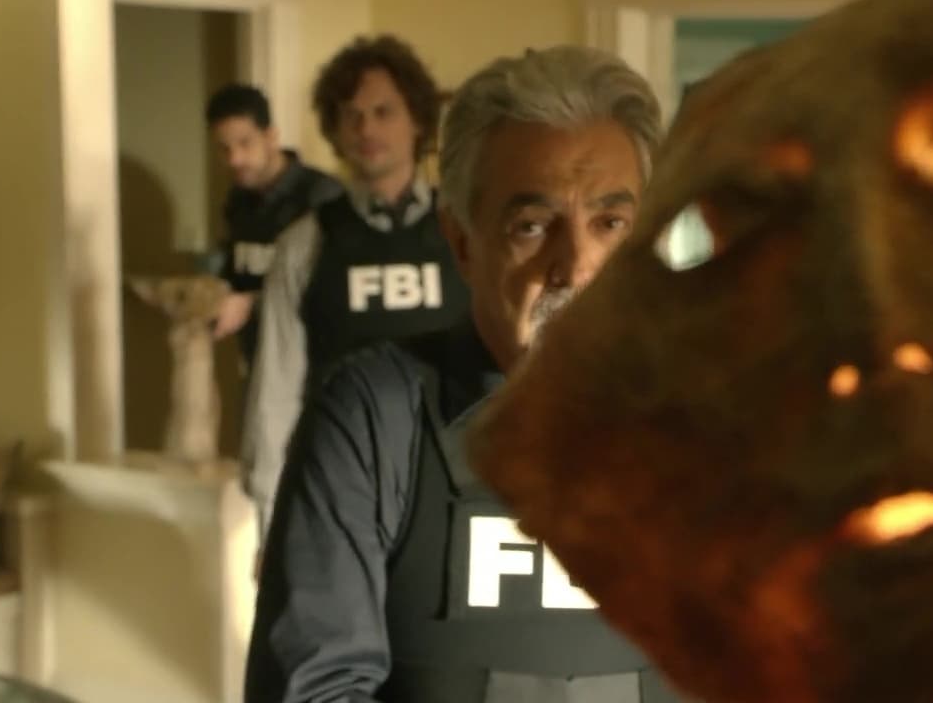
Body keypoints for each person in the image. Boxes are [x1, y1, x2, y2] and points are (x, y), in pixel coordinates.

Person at [244, 45, 679, 702]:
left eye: (611, 223)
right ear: (461, 240)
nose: (577, 268)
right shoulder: (375, 420)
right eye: (532, 226)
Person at [242, 37, 470, 533]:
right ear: (334, 130)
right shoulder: (306, 243)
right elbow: (276, 385)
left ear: (418, 120)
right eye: (351, 115)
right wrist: (268, 512)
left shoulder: (465, 231)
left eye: (383, 111)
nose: (367, 128)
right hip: (339, 480)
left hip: (450, 477)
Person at [204, 83, 342, 364]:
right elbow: (236, 272)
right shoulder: (237, 201)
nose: (235, 159)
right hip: (256, 359)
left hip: (313, 361)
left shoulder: (321, 195)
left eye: (245, 143)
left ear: (271, 137)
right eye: (224, 148)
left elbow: (330, 288)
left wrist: (250, 303)